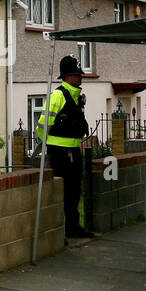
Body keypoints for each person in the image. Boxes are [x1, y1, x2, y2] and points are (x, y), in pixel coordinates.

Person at [37, 55, 97, 239]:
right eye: (77, 75)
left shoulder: (77, 97)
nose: (81, 78)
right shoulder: (58, 95)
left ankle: (72, 228)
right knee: (63, 192)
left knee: (74, 191)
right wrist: (54, 144)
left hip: (73, 151)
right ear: (68, 76)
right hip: (61, 154)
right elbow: (42, 126)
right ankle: (61, 230)